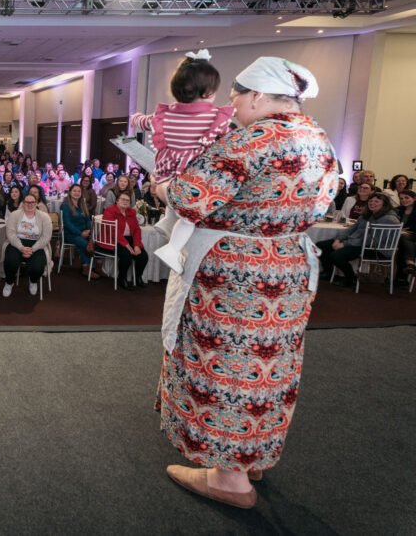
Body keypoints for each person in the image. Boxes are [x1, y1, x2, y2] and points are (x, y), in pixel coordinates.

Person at [155, 56, 336, 509]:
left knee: (228, 365)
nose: (231, 105)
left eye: (235, 96)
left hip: (236, 277)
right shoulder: (318, 137)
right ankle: (250, 454)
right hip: (288, 267)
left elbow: (189, 197)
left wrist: (161, 186)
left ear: (256, 95)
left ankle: (229, 478)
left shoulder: (250, 141)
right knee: (269, 366)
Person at [130, 51, 235, 274]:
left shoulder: (165, 117)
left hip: (165, 171)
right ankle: (173, 248)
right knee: (191, 215)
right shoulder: (214, 118)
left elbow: (140, 121)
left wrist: (135, 117)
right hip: (191, 175)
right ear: (208, 92)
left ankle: (167, 222)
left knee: (174, 203)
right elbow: (231, 142)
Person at [317, 193, 399, 286]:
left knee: (336, 255)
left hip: (376, 249)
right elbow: (351, 229)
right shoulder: (367, 215)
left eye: (376, 201)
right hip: (359, 243)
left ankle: (351, 278)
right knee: (321, 245)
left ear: (384, 204)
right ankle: (328, 272)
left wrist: (345, 244)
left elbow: (371, 240)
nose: (372, 203)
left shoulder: (388, 219)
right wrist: (338, 240)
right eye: (371, 201)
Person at [2, 193, 52, 297]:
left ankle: (33, 281)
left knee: (37, 267)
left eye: (32, 202)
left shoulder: (44, 217)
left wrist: (32, 249)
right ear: (23, 204)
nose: (29, 204)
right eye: (27, 202)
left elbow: (46, 237)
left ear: (36, 203)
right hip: (16, 243)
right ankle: (9, 282)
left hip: (37, 244)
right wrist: (21, 247)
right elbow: (10, 233)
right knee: (10, 261)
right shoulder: (14, 215)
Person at [99, 192, 148, 290]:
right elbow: (112, 230)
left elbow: (137, 230)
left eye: (127, 200)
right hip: (112, 239)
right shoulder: (110, 210)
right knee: (126, 255)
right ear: (117, 201)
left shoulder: (131, 212)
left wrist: (137, 244)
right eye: (123, 199)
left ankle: (138, 277)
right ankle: (122, 278)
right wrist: (126, 244)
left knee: (143, 256)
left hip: (128, 239)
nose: (125, 202)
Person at [60, 184, 99, 278]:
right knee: (85, 244)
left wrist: (89, 230)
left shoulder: (82, 204)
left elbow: (88, 220)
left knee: (95, 242)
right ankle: (87, 268)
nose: (77, 193)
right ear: (70, 192)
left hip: (84, 231)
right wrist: (80, 233)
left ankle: (91, 267)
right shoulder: (65, 205)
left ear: (81, 193)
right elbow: (67, 224)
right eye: (74, 191)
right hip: (70, 233)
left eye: (79, 191)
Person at [397, 189, 416, 280]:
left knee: (404, 237)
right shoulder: (399, 210)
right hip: (401, 236)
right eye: (401, 198)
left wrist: (405, 229)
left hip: (413, 235)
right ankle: (408, 268)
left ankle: (410, 263)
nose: (404, 200)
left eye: (407, 198)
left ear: (414, 198)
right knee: (402, 243)